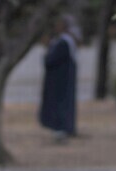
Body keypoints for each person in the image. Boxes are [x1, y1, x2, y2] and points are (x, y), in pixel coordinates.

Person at [38, 14, 80, 142]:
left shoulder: (63, 43)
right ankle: (63, 129)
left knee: (60, 106)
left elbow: (50, 60)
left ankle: (61, 131)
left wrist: (47, 50)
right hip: (64, 81)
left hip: (59, 82)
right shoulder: (68, 42)